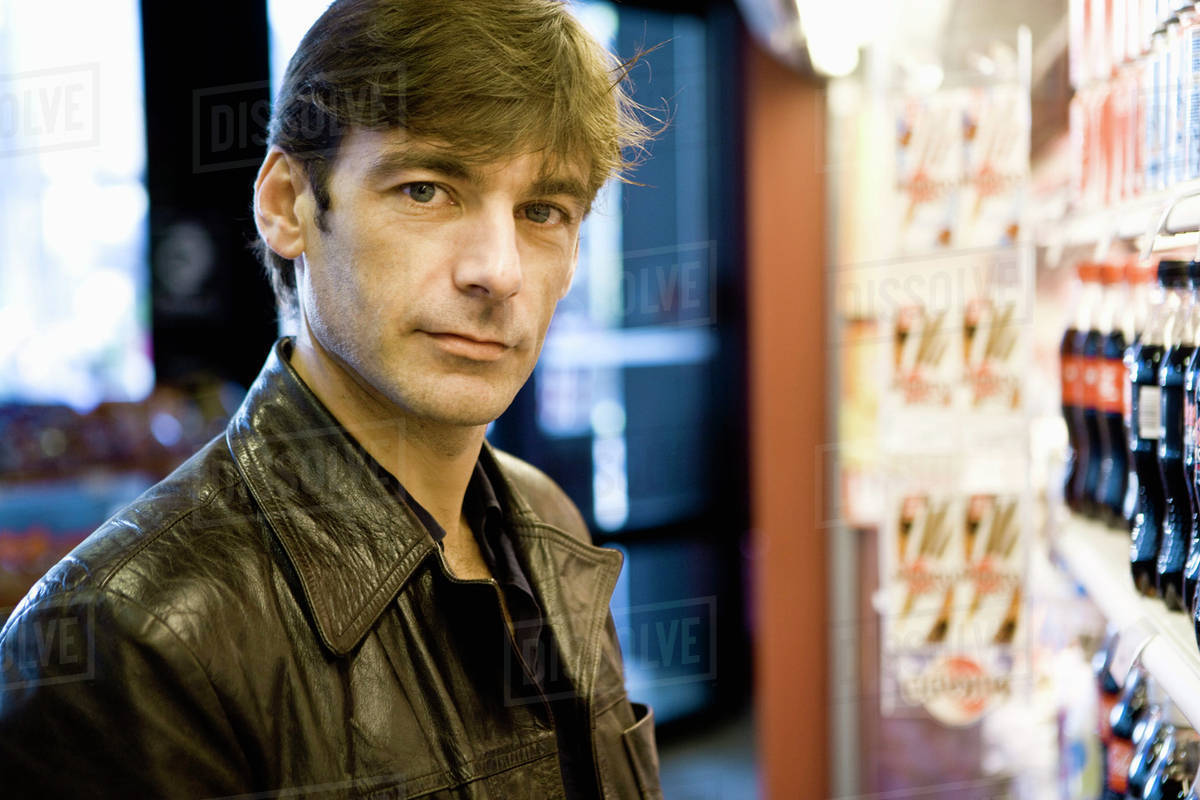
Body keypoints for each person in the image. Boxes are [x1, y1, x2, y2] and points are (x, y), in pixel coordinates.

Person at [0, 1, 663, 797]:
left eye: (542, 211)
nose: (499, 270)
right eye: (426, 190)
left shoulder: (547, 520)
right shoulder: (132, 632)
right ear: (288, 204)